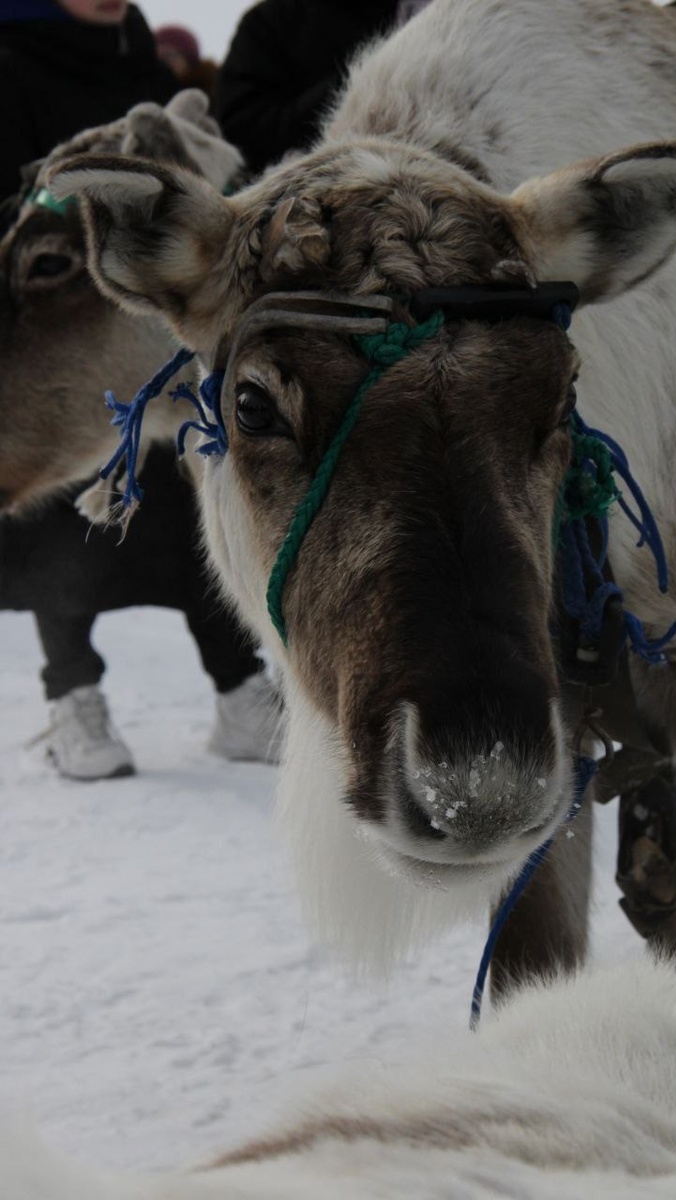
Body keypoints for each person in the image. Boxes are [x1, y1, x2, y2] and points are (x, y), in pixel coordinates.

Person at [0, 0, 283, 780]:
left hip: (159, 329)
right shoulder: (11, 63)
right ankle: (73, 694)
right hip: (60, 333)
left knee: (194, 504)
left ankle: (236, 688)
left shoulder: (139, 61)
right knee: (68, 527)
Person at [216, 0, 401, 175]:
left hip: (411, 181)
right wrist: (353, 81)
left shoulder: (417, 14)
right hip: (295, 192)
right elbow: (240, 131)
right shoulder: (269, 22)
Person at [155, 23, 218, 99]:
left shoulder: (213, 97)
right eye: (157, 58)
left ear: (189, 60)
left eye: (168, 55)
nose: (162, 63)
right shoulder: (149, 96)